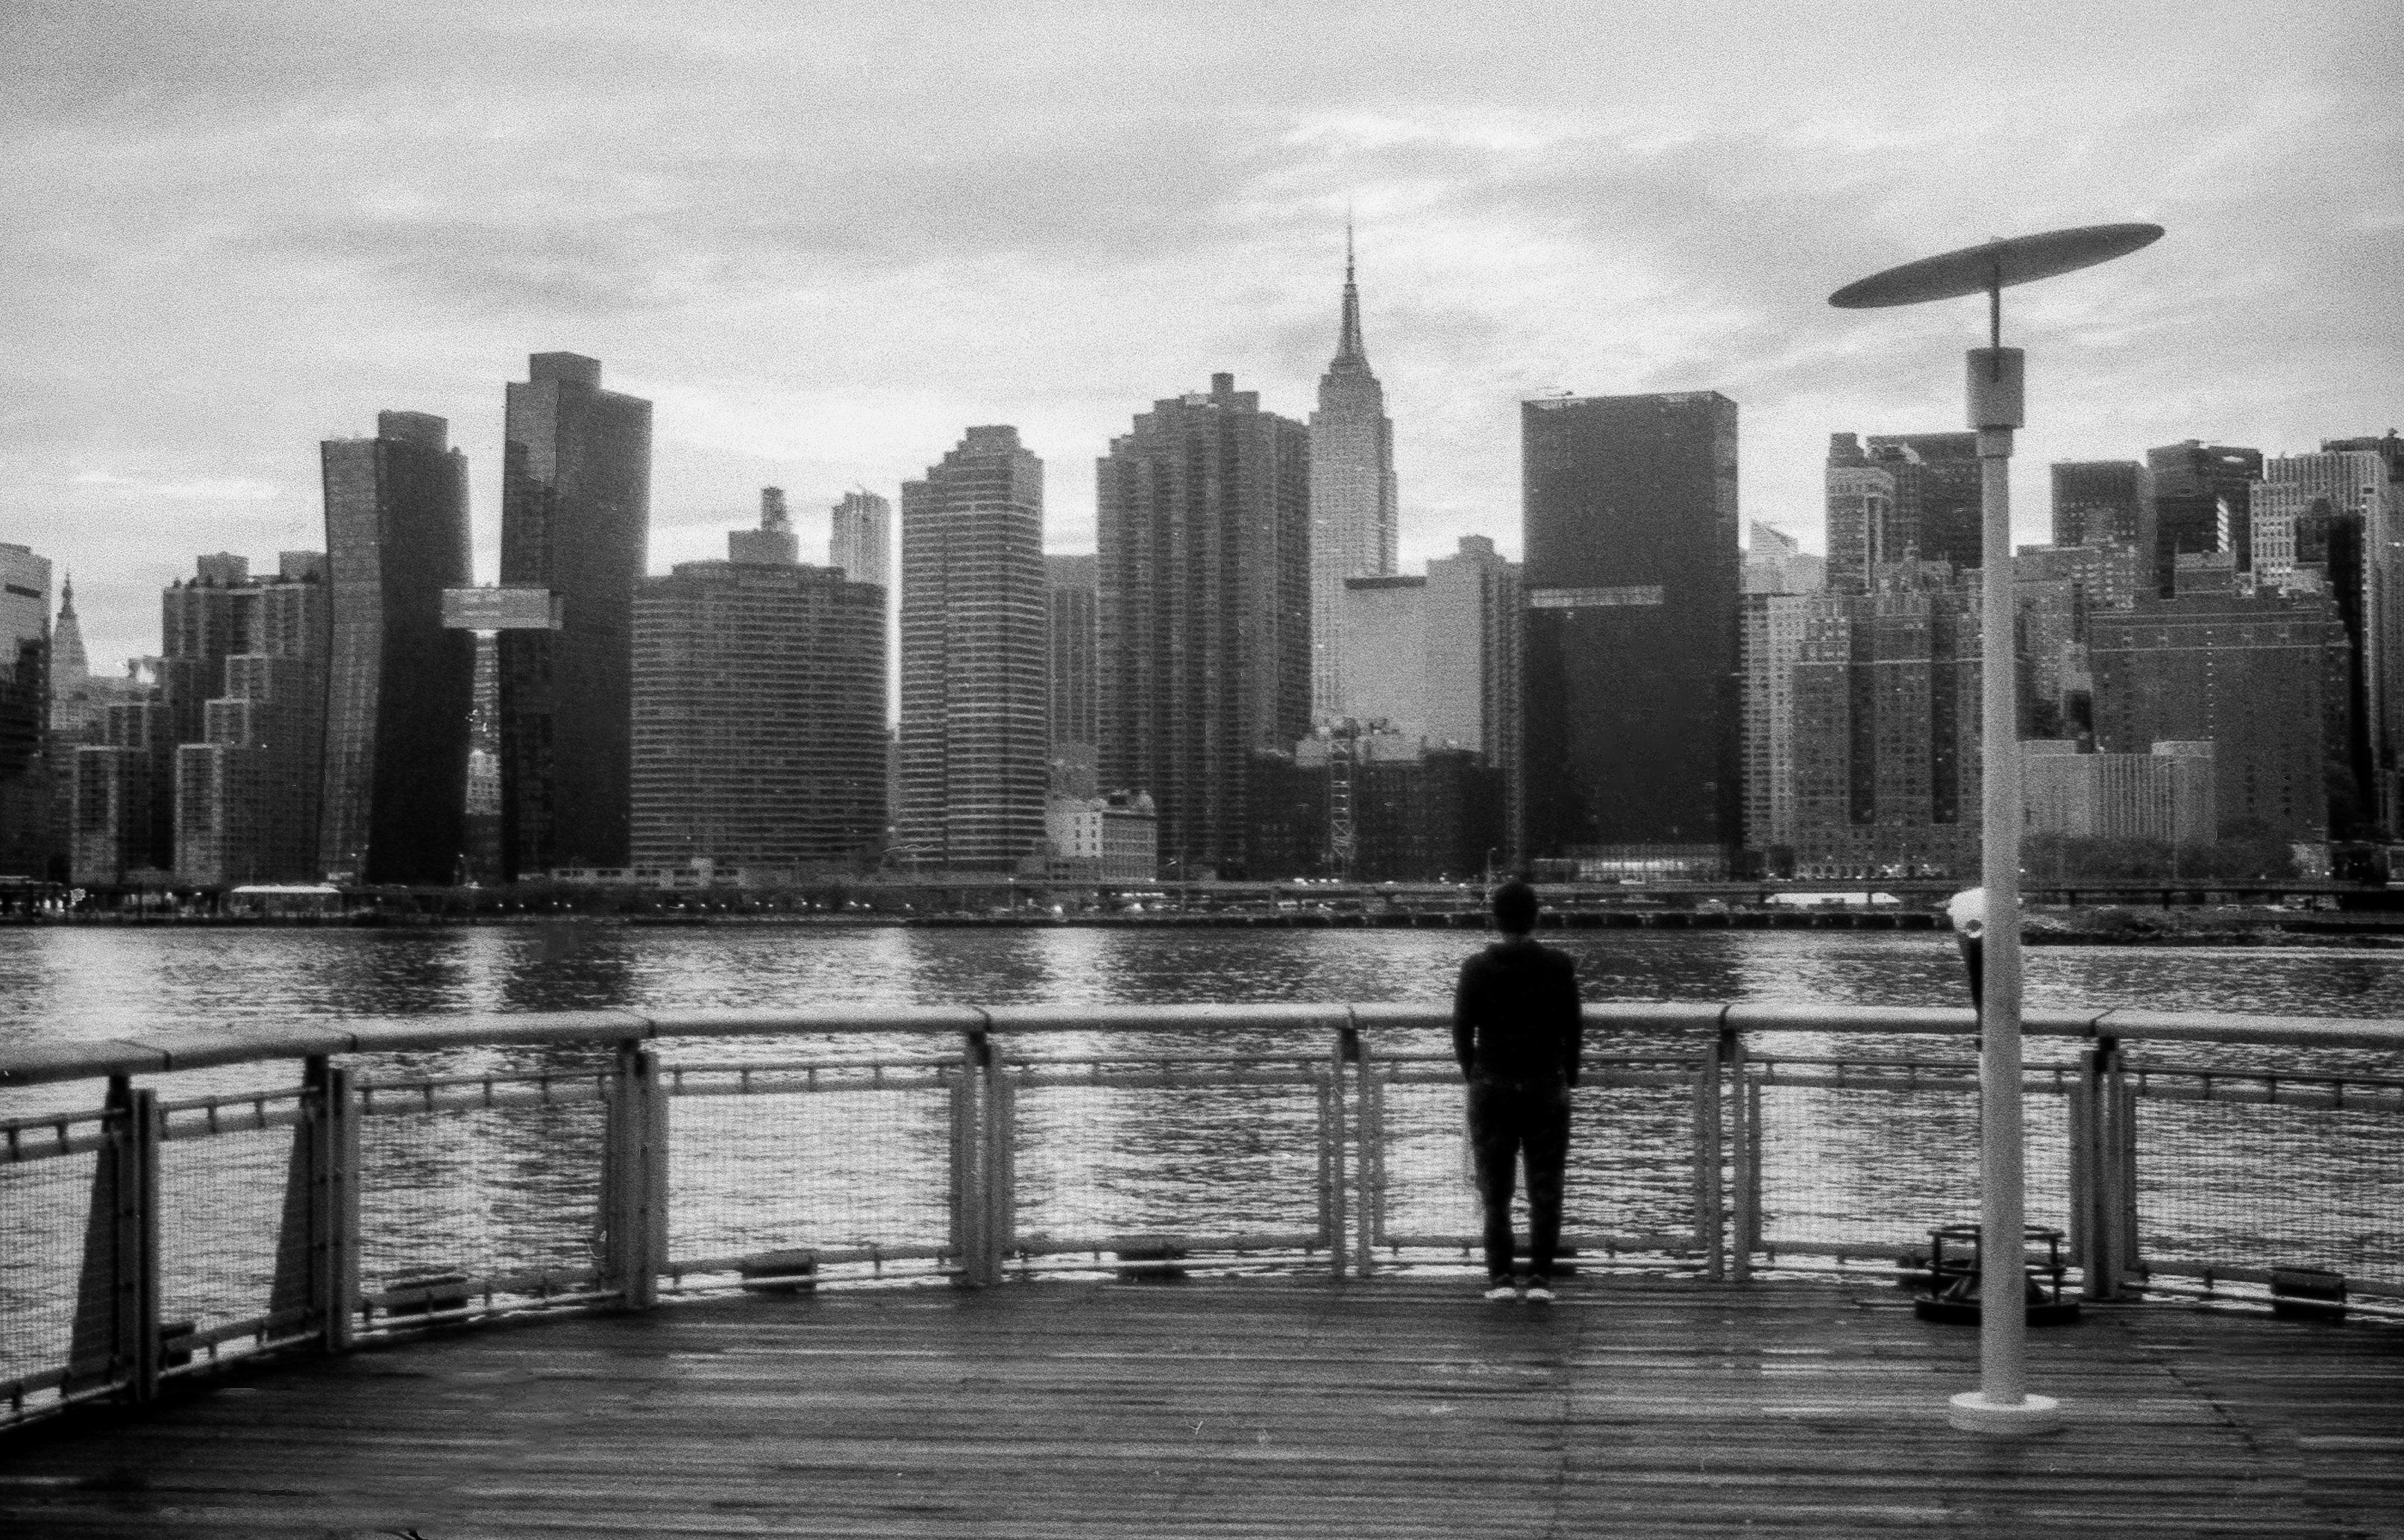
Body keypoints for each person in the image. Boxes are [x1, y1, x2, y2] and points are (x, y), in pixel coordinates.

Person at [1452, 879, 1583, 1301]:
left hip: (1492, 1085)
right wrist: (1570, 1075)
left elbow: (1461, 1031)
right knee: (1546, 1183)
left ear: (1495, 920)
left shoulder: (1475, 968)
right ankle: (1541, 1279)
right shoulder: (1559, 965)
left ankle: (1501, 1278)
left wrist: (1476, 1075)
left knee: (1495, 1186)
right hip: (1545, 1083)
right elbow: (1573, 1028)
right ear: (1535, 917)